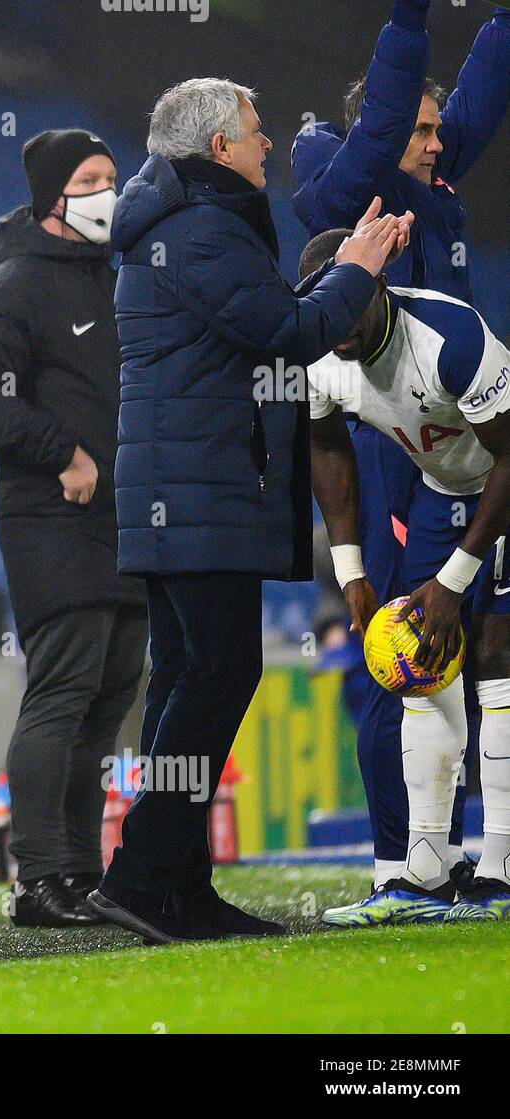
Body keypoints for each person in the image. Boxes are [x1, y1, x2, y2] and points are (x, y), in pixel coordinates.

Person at [86, 78, 410, 944]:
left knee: (187, 676)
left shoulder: (175, 227)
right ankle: (142, 873)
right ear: (218, 149)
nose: (268, 144)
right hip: (199, 490)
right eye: (257, 132)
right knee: (219, 674)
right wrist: (356, 270)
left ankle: (179, 889)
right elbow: (293, 332)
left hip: (177, 490)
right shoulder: (202, 232)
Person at [291, 0, 510, 900]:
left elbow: (477, 102)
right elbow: (378, 126)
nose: (433, 141)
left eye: (433, 129)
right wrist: (407, 17)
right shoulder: (356, 190)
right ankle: (400, 855)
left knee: (485, 652)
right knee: (403, 652)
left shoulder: (434, 195)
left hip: (472, 444)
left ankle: (465, 857)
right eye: (416, 131)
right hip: (405, 456)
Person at [0, 130, 147, 927]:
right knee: (62, 693)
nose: (109, 190)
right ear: (53, 197)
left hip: (123, 520)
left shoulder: (110, 279)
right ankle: (37, 878)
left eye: (112, 176)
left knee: (107, 701)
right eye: (92, 179)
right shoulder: (15, 285)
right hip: (53, 520)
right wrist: (60, 448)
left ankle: (80, 870)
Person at [300, 228, 510, 923]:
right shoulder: (317, 351)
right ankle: (423, 870)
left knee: (494, 657)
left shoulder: (451, 338)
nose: (335, 329)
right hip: (442, 489)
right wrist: (350, 566)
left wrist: (454, 579)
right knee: (421, 661)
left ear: (377, 286)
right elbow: (326, 442)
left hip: (503, 482)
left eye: (344, 308)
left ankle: (500, 869)